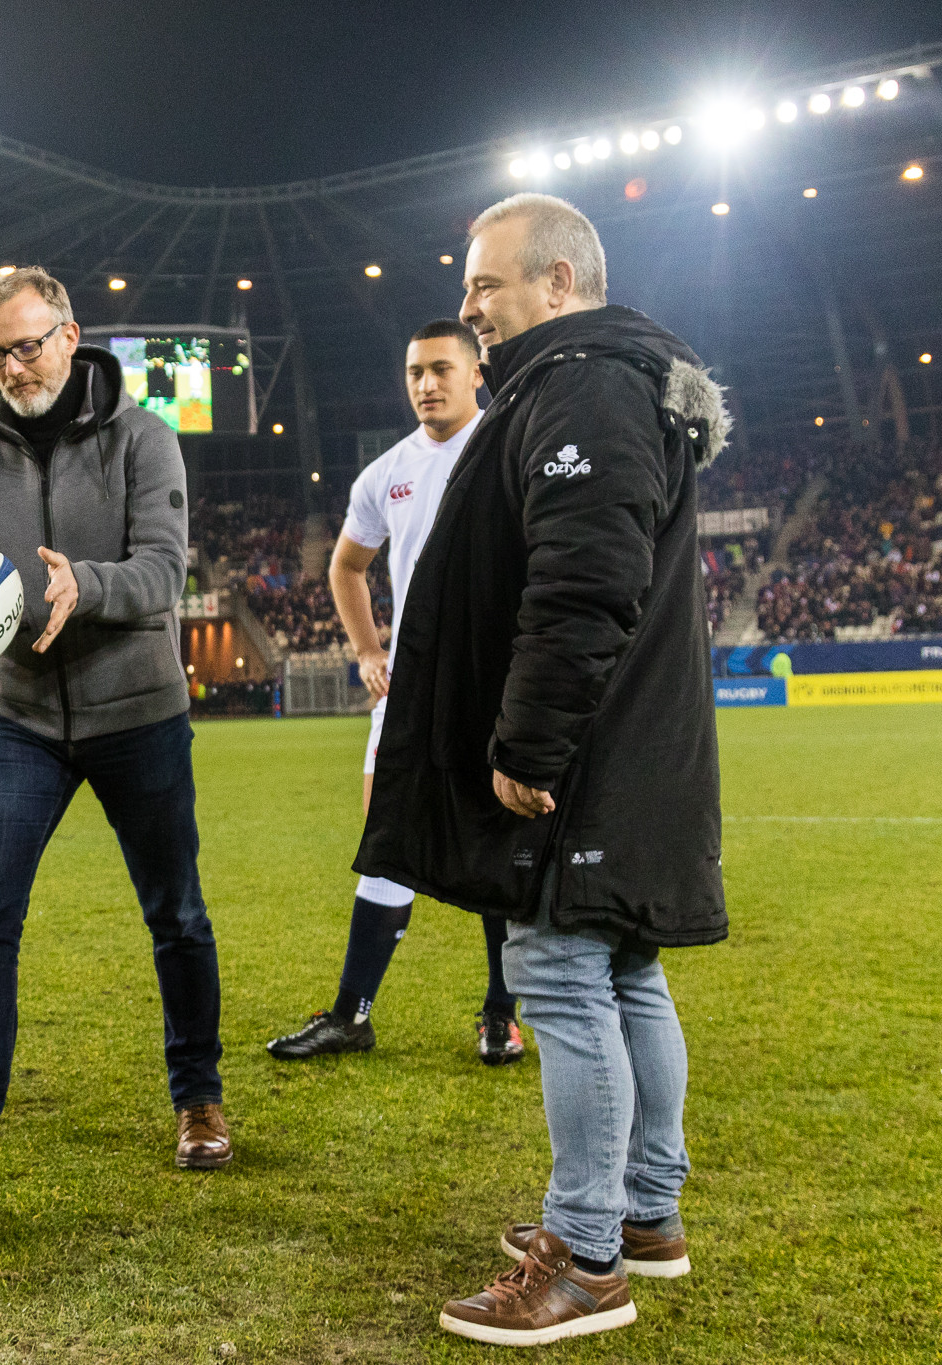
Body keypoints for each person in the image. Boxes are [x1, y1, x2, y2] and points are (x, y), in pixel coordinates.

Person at [354, 194, 727, 1347]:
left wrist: (527, 742)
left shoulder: (587, 383)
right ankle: (643, 1215)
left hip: (591, 753)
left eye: (485, 285)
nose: (470, 307)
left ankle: (588, 1258)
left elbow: (581, 576)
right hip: (635, 744)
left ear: (557, 284)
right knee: (623, 973)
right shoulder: (598, 375)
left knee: (560, 971)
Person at [0, 265, 226, 1208]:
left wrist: (82, 586)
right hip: (17, 717)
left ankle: (199, 1099)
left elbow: (162, 574)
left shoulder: (146, 438)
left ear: (69, 333)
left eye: (28, 344)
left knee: (174, 912)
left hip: (137, 710)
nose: (15, 366)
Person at [266, 320, 525, 1066]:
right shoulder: (387, 471)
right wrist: (370, 649)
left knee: (496, 841)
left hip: (497, 681)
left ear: (477, 373)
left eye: (442, 369)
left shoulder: (508, 449)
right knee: (386, 841)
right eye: (415, 371)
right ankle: (352, 1014)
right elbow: (346, 567)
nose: (425, 384)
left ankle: (501, 1013)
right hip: (410, 691)